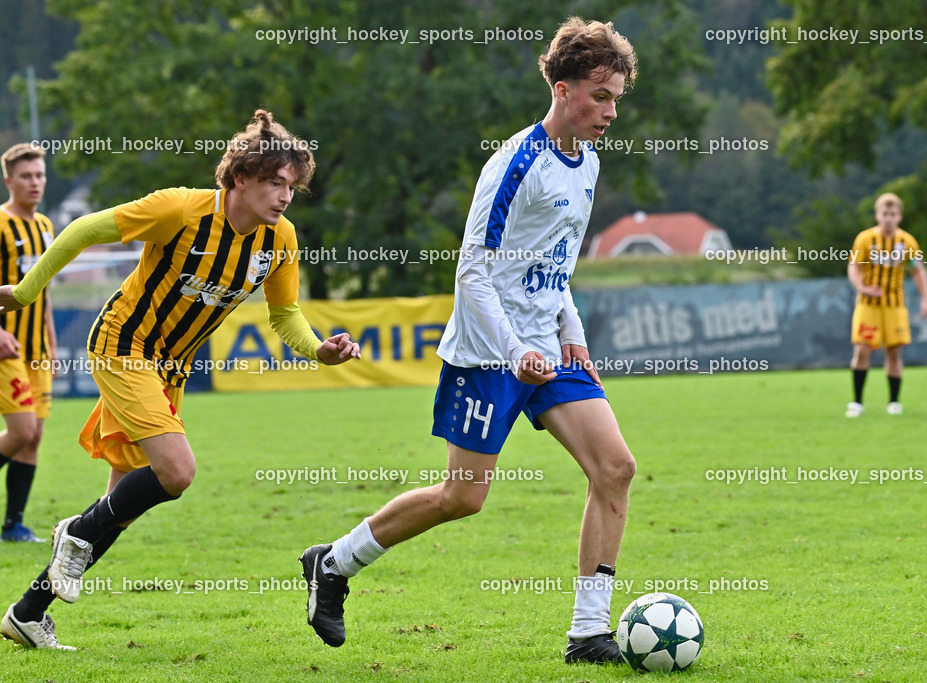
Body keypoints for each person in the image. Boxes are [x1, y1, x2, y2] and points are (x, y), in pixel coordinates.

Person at [299, 17, 637, 665]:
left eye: (616, 98)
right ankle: (334, 562)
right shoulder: (515, 162)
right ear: (563, 90)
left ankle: (588, 632)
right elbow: (473, 271)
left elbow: (556, 261)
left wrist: (571, 333)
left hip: (548, 349)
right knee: (462, 497)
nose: (611, 111)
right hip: (490, 353)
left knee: (615, 467)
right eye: (601, 96)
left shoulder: (588, 163)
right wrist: (515, 352)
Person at [0, 110, 361, 650]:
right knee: (176, 471)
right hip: (123, 345)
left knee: (120, 507)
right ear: (241, 177)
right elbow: (83, 228)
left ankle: (28, 613)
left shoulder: (280, 238)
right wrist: (27, 291)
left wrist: (318, 350)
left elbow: (285, 313)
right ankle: (74, 531)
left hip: (169, 369)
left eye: (292, 186)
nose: (286, 196)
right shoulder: (181, 209)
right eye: (275, 182)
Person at [0, 144, 58, 543]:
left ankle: (13, 526)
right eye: (26, 176)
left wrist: (50, 343)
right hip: (6, 348)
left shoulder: (46, 227)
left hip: (36, 349)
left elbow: (44, 292)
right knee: (20, 431)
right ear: (9, 181)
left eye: (39, 175)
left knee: (34, 436)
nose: (34, 182)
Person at [846, 192, 927, 417]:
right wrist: (862, 287)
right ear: (877, 215)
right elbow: (854, 267)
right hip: (868, 305)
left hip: (895, 305)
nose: (888, 218)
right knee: (862, 350)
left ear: (899, 217)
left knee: (894, 352)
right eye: (884, 214)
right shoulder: (865, 239)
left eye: (892, 214)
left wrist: (926, 299)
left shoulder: (907, 242)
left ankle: (894, 402)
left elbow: (917, 271)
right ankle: (857, 402)